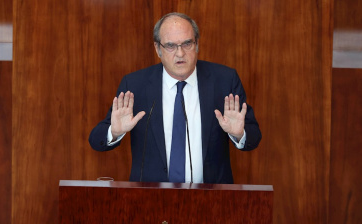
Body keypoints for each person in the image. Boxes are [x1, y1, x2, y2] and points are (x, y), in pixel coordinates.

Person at [89, 12, 261, 184]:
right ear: (158, 49)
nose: (180, 53)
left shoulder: (224, 81)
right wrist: (114, 132)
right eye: (170, 46)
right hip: (150, 201)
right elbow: (96, 141)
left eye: (187, 44)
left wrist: (239, 134)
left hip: (211, 201)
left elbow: (254, 136)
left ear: (197, 44)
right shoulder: (135, 86)